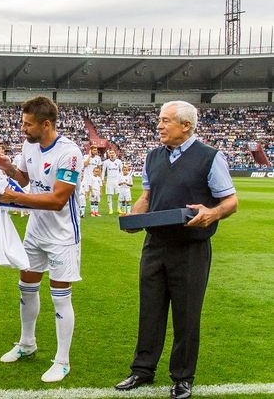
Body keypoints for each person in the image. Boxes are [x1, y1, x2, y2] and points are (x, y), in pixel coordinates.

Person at [115, 101, 237, 399]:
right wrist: (134, 215)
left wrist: (212, 213)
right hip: (155, 244)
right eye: (159, 120)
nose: (159, 125)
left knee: (187, 314)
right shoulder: (153, 156)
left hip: (190, 248)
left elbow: (230, 201)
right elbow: (147, 196)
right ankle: (142, 369)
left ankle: (183, 377)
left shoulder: (210, 157)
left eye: (165, 120)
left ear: (186, 125)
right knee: (150, 309)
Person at [0, 96, 83, 383]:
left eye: (27, 124)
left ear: (46, 124)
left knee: (60, 298)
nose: (23, 128)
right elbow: (25, 178)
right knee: (26, 288)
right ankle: (27, 344)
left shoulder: (69, 154)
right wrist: (9, 168)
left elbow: (57, 200)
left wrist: (15, 197)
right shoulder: (29, 146)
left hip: (62, 236)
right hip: (35, 231)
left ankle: (62, 360)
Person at [81, 145, 102, 217]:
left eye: (96, 150)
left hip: (94, 179)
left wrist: (101, 178)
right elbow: (85, 164)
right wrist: (89, 156)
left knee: (95, 195)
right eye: (94, 150)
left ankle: (93, 211)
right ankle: (82, 210)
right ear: (90, 150)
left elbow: (99, 168)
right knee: (84, 195)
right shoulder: (85, 156)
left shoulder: (98, 158)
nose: (95, 151)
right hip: (86, 178)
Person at [102, 149, 123, 214]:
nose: (112, 154)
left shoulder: (119, 161)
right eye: (110, 153)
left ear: (115, 154)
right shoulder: (106, 162)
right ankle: (110, 209)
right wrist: (102, 179)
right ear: (109, 154)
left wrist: (122, 179)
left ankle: (119, 208)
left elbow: (121, 171)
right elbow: (103, 171)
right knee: (109, 195)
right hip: (109, 180)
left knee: (120, 194)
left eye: (113, 153)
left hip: (117, 180)